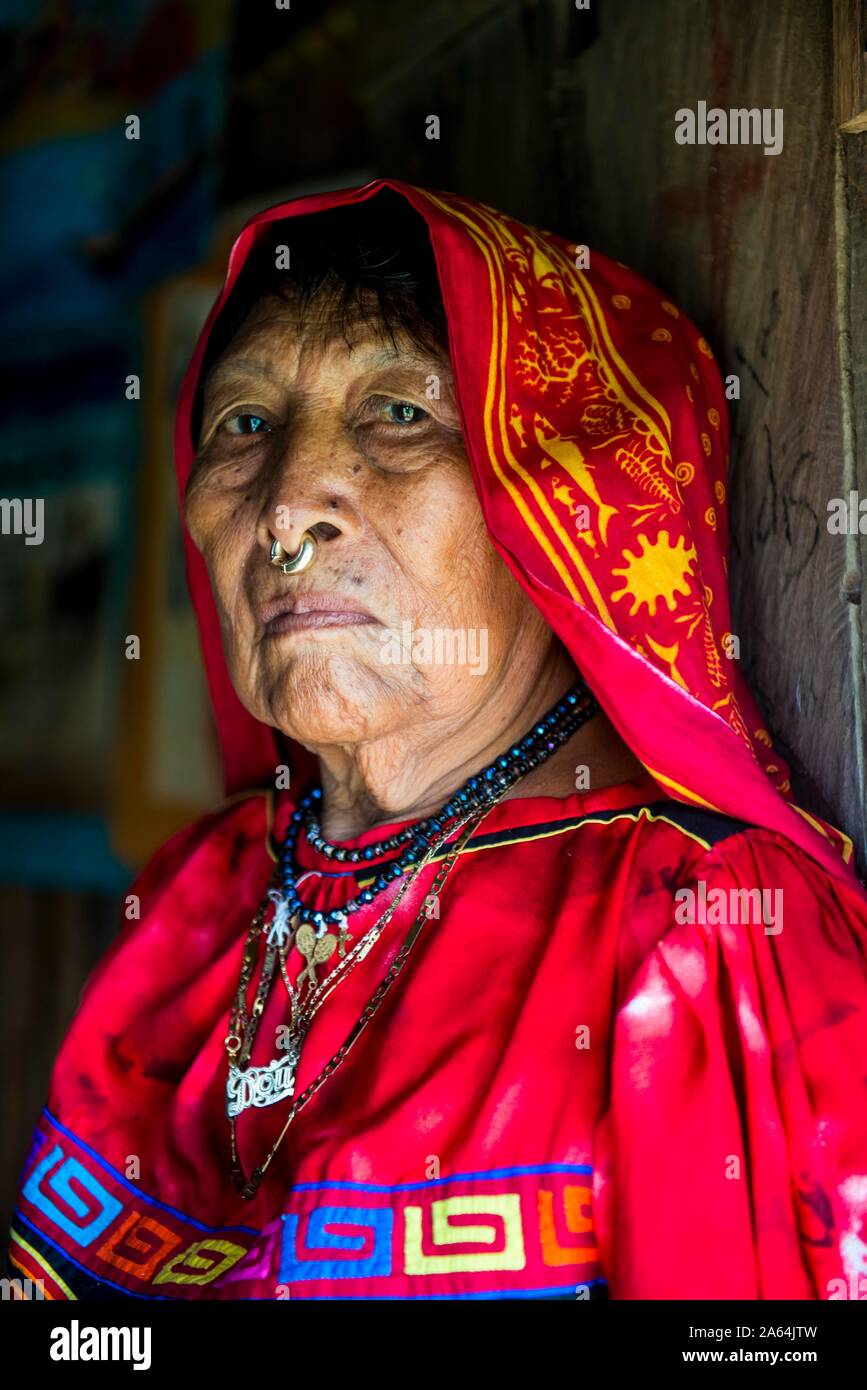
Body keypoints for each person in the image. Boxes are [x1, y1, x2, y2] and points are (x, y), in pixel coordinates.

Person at [10, 181, 867, 1301]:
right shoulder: (203, 890)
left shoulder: (701, 936)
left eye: (400, 413)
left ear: (557, 496)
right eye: (246, 424)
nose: (288, 507)